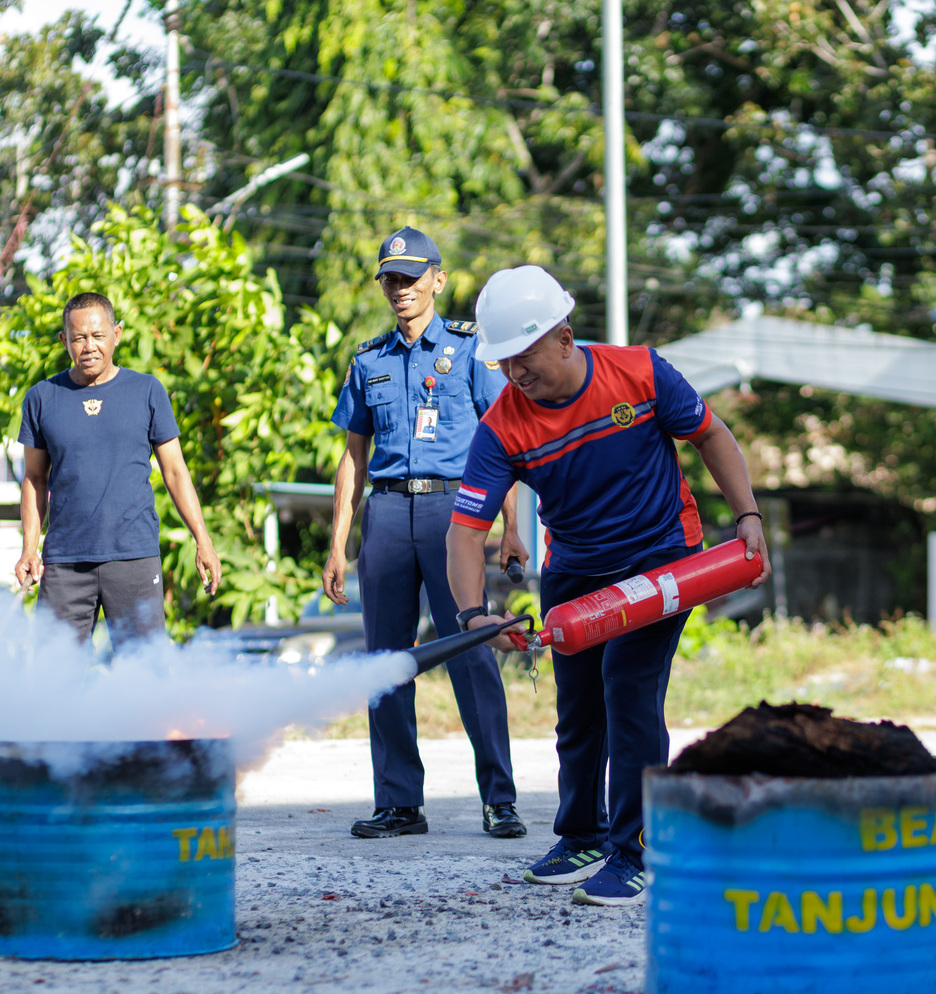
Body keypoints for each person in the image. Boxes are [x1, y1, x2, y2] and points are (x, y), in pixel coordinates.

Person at [446, 265, 770, 906]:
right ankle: (583, 836)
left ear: (565, 338)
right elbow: (464, 531)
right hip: (575, 565)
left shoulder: (641, 373)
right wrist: (473, 615)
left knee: (627, 687)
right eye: (503, 361)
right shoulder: (502, 427)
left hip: (660, 560)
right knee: (578, 706)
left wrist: (748, 515)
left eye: (524, 355)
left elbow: (710, 434)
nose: (513, 372)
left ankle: (640, 850)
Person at [325, 227, 529, 840]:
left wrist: (512, 526)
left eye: (411, 278)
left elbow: (503, 440)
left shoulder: (470, 351)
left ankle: (499, 799)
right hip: (386, 514)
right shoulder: (369, 360)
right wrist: (337, 545)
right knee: (385, 662)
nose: (401, 289)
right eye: (390, 279)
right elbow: (353, 458)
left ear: (437, 280)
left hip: (453, 513)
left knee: (471, 649)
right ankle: (399, 803)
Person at [15, 292, 221, 648]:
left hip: (134, 556)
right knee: (54, 672)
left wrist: (203, 540)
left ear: (117, 335)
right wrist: (29, 548)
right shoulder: (42, 397)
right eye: (79, 338)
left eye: (98, 336)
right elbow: (34, 478)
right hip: (65, 563)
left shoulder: (147, 391)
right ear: (64, 340)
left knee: (144, 670)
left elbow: (175, 471)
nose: (89, 346)